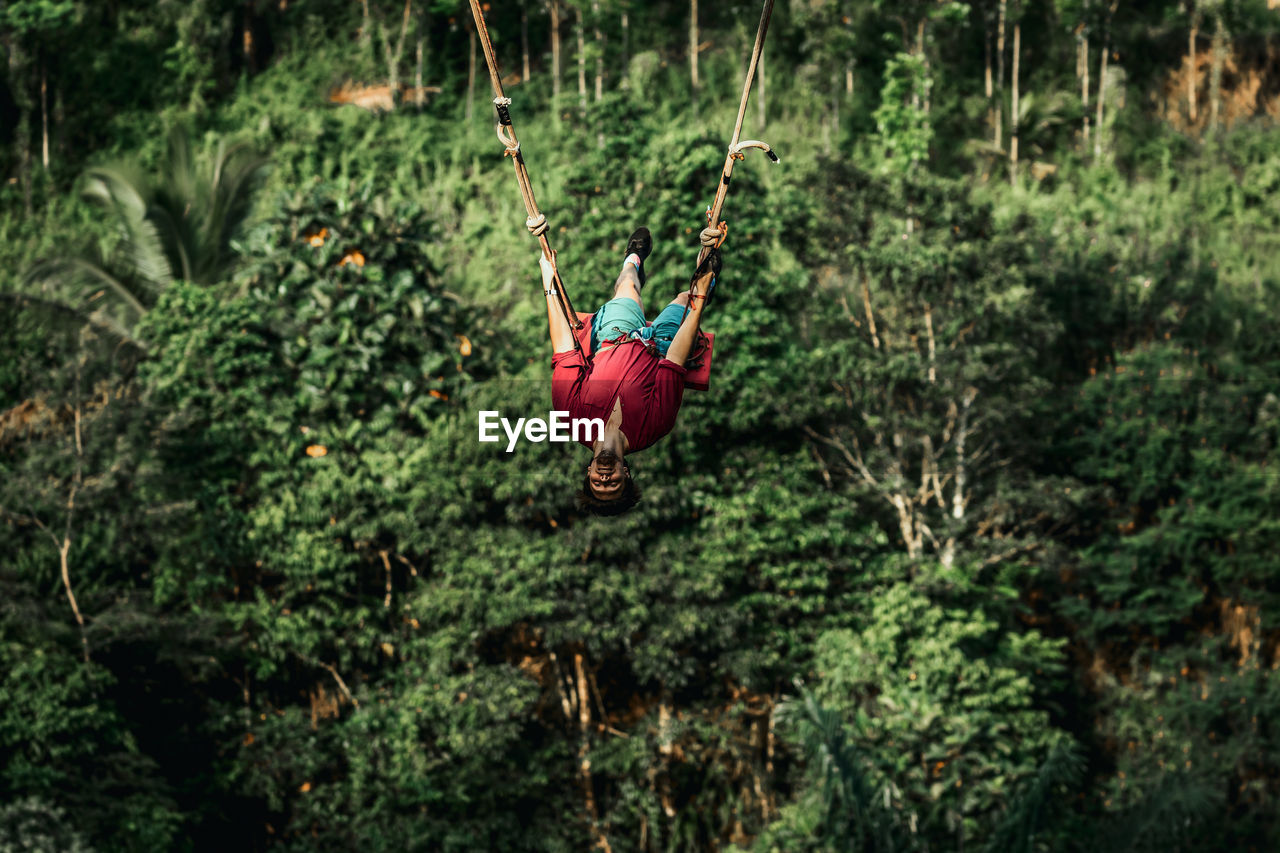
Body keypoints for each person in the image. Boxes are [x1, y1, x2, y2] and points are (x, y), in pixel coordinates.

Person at [541, 226, 722, 516]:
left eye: (598, 484)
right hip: (661, 348)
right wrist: (697, 303)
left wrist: (548, 281)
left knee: (627, 287)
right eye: (612, 484)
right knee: (684, 298)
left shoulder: (572, 417)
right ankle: (707, 276)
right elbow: (674, 361)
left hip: (614, 338)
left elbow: (564, 349)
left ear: (588, 472)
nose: (604, 478)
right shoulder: (655, 427)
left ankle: (634, 258)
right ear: (625, 474)